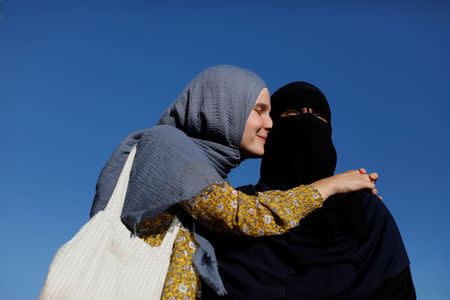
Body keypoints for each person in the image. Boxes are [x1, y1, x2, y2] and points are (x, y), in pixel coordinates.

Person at [90, 67, 379, 299]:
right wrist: (330, 186)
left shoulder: (206, 177)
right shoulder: (168, 145)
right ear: (224, 106)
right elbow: (241, 215)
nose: (270, 123)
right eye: (259, 110)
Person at [200, 81, 415, 299]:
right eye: (292, 113)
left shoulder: (366, 212)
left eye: (320, 118)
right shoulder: (230, 208)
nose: (309, 122)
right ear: (271, 130)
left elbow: (398, 288)